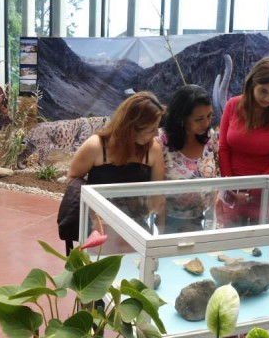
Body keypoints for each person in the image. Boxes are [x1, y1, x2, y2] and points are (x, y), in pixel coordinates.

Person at [66, 91, 166, 238]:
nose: (157, 134)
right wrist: (93, 215)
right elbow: (72, 179)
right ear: (131, 129)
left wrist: (160, 231)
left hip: (137, 227)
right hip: (100, 226)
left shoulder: (153, 149)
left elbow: (158, 192)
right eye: (151, 129)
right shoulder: (95, 146)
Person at [217, 57, 269, 227]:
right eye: (263, 91)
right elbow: (223, 149)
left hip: (268, 193)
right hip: (233, 191)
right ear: (252, 84)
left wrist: (252, 189)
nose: (268, 98)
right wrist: (232, 186)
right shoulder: (233, 105)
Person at [157, 85, 219, 233]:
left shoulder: (211, 137)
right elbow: (156, 191)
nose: (206, 123)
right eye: (198, 119)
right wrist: (160, 232)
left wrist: (212, 223)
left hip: (204, 219)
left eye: (209, 116)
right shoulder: (161, 142)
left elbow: (217, 179)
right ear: (181, 118)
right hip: (170, 221)